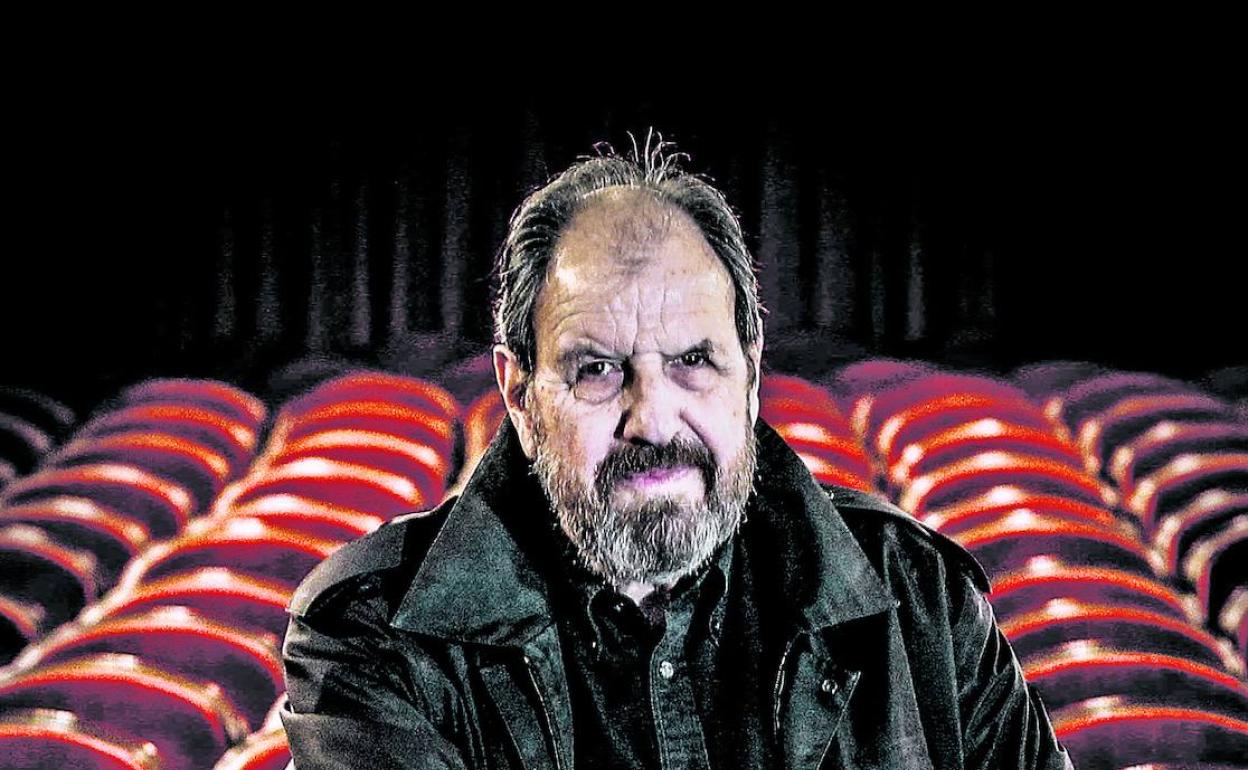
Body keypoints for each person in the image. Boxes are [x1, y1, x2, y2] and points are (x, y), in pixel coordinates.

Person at [280, 138, 1075, 770]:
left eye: (694, 361)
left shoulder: (921, 599)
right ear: (519, 394)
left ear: (750, 375)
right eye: (598, 369)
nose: (654, 419)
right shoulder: (372, 636)